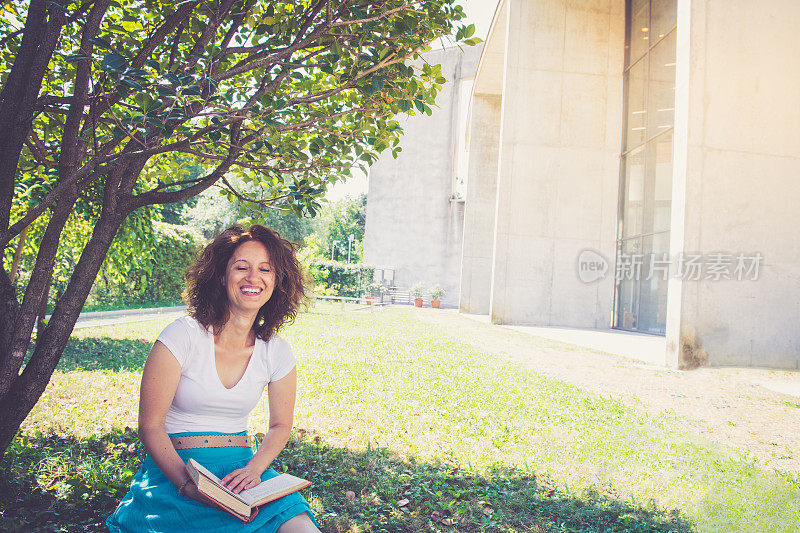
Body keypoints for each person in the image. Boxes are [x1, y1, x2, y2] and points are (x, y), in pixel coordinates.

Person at [107, 224, 320, 532]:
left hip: (241, 475)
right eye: (241, 267)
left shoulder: (277, 351)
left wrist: (255, 469)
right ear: (222, 276)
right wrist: (185, 484)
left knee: (302, 528)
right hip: (178, 471)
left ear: (276, 282)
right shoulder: (182, 335)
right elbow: (150, 425)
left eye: (265, 269)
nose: (253, 277)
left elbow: (280, 425)